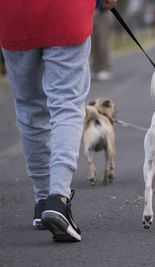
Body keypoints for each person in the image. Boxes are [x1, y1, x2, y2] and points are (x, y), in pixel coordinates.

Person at [0, 0, 117, 242]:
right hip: (65, 10)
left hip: (14, 13)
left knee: (29, 107)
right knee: (67, 103)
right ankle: (58, 198)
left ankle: (43, 201)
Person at [92, 0, 114, 81]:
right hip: (92, 14)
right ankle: (96, 69)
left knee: (103, 43)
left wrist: (99, 8)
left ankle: (106, 69)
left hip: (104, 13)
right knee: (94, 44)